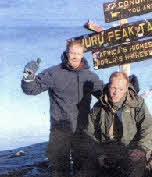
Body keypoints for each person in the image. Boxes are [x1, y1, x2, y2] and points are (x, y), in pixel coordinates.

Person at [21, 40, 104, 176]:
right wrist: (28, 77)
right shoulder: (54, 73)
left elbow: (105, 94)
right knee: (59, 170)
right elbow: (31, 89)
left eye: (78, 53)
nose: (75, 56)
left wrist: (125, 87)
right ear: (66, 53)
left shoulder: (89, 76)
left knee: (83, 169)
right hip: (60, 129)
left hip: (82, 129)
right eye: (72, 53)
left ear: (83, 55)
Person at [78, 72, 152, 177]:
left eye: (120, 89)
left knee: (136, 166)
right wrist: (98, 153)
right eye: (113, 88)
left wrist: (141, 149)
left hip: (132, 148)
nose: (116, 92)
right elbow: (89, 135)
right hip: (107, 150)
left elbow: (148, 129)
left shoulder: (137, 103)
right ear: (108, 86)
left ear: (126, 89)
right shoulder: (98, 108)